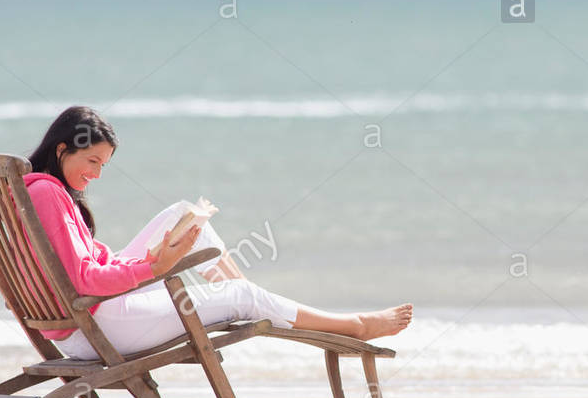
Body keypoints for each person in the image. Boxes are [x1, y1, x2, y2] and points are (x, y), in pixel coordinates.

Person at [22, 106, 413, 358]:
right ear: (61, 150)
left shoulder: (36, 191)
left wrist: (147, 259)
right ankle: (351, 325)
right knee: (240, 293)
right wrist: (154, 269)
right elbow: (84, 278)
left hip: (87, 314)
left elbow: (81, 265)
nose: (96, 174)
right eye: (92, 160)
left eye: (103, 164)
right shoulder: (48, 195)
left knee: (184, 213)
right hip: (93, 327)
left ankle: (250, 307)